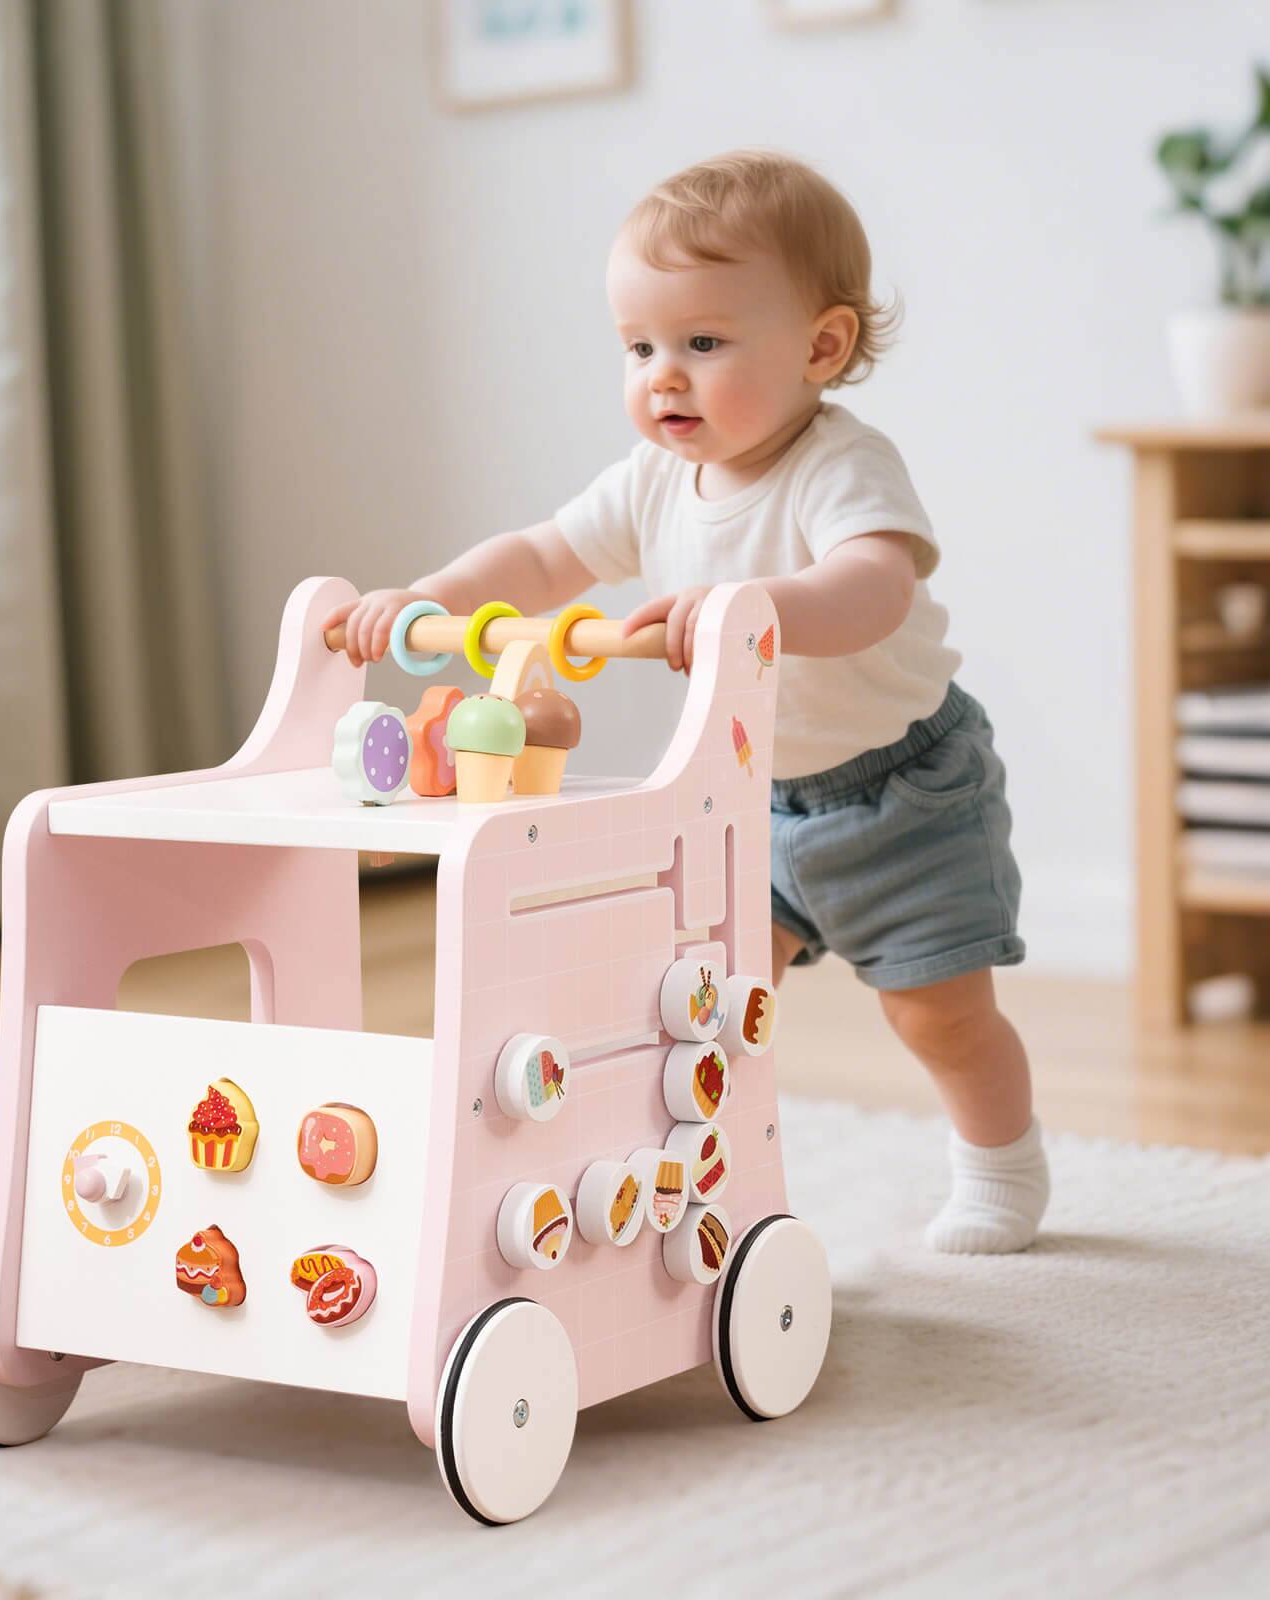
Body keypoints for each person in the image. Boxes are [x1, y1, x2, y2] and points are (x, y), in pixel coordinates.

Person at [323, 150, 1048, 1253]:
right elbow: (543, 555)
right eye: (640, 346)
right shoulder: (652, 479)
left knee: (935, 1013)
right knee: (700, 1001)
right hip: (747, 800)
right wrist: (426, 598)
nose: (663, 375)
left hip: (904, 797)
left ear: (822, 347)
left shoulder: (839, 466)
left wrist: (743, 604)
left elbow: (871, 587)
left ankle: (1001, 1167)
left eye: (702, 344)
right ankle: (691, 1172)